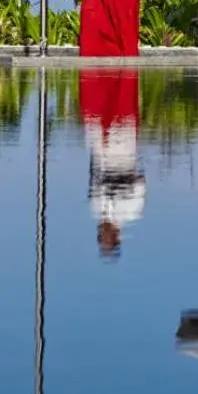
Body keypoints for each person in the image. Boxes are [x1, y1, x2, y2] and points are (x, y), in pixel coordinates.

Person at [80, 68, 145, 259]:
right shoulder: (133, 211)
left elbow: (94, 181)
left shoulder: (94, 208)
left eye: (101, 237)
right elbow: (140, 181)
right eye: (104, 237)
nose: (102, 233)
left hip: (110, 146)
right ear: (116, 236)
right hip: (119, 151)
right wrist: (117, 187)